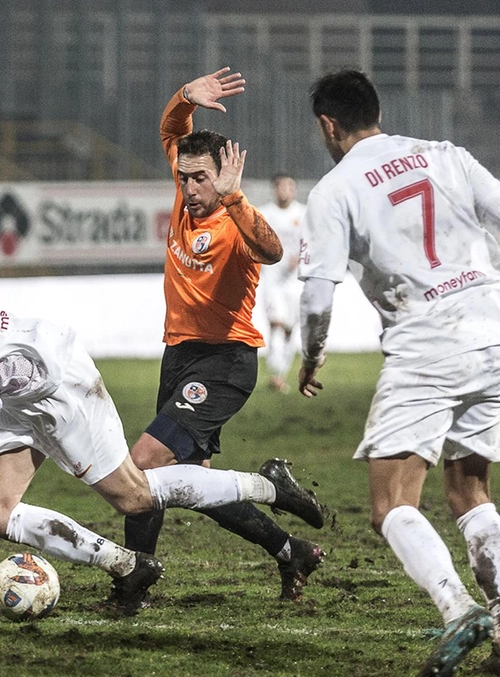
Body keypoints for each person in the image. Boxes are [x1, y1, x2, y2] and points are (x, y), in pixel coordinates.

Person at [0, 280, 327, 616]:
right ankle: (128, 566)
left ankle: (268, 485)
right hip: (15, 382)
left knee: (135, 497)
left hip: (51, 384)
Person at [297, 70, 500, 677]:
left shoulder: (335, 188)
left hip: (427, 340)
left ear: (328, 125)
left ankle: (459, 612)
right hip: (492, 328)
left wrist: (312, 354)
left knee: (389, 504)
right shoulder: (446, 157)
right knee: (470, 493)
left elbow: (319, 292)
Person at [119, 68, 326, 612]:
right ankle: (290, 546)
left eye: (200, 179)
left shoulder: (236, 220)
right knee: (195, 486)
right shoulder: (187, 186)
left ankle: (131, 580)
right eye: (184, 178)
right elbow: (171, 130)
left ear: (223, 176)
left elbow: (273, 250)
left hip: (225, 363)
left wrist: (234, 199)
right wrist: (185, 96)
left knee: (142, 465)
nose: (189, 188)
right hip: (180, 356)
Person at [257, 173, 307, 393]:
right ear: (274, 189)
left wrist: (303, 256)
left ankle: (282, 374)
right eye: (280, 186)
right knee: (276, 324)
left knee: (290, 328)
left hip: (296, 281)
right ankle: (275, 374)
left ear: (294, 189)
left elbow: (314, 243)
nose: (284, 190)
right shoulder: (264, 214)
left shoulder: (304, 214)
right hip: (272, 279)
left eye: (288, 186)